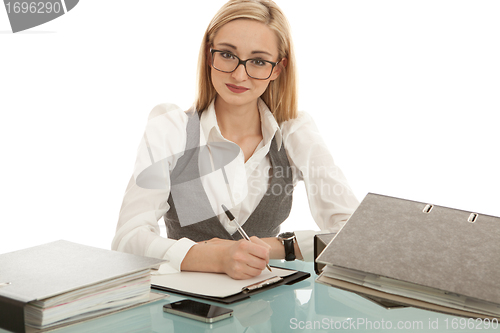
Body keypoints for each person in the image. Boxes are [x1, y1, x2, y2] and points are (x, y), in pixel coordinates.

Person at [112, 0, 359, 280]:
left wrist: (279, 246)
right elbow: (127, 240)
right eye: (228, 55)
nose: (239, 75)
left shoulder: (293, 132)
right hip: (185, 311)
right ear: (209, 55)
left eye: (258, 61)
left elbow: (353, 238)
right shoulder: (170, 128)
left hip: (268, 310)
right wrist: (214, 257)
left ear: (277, 69)